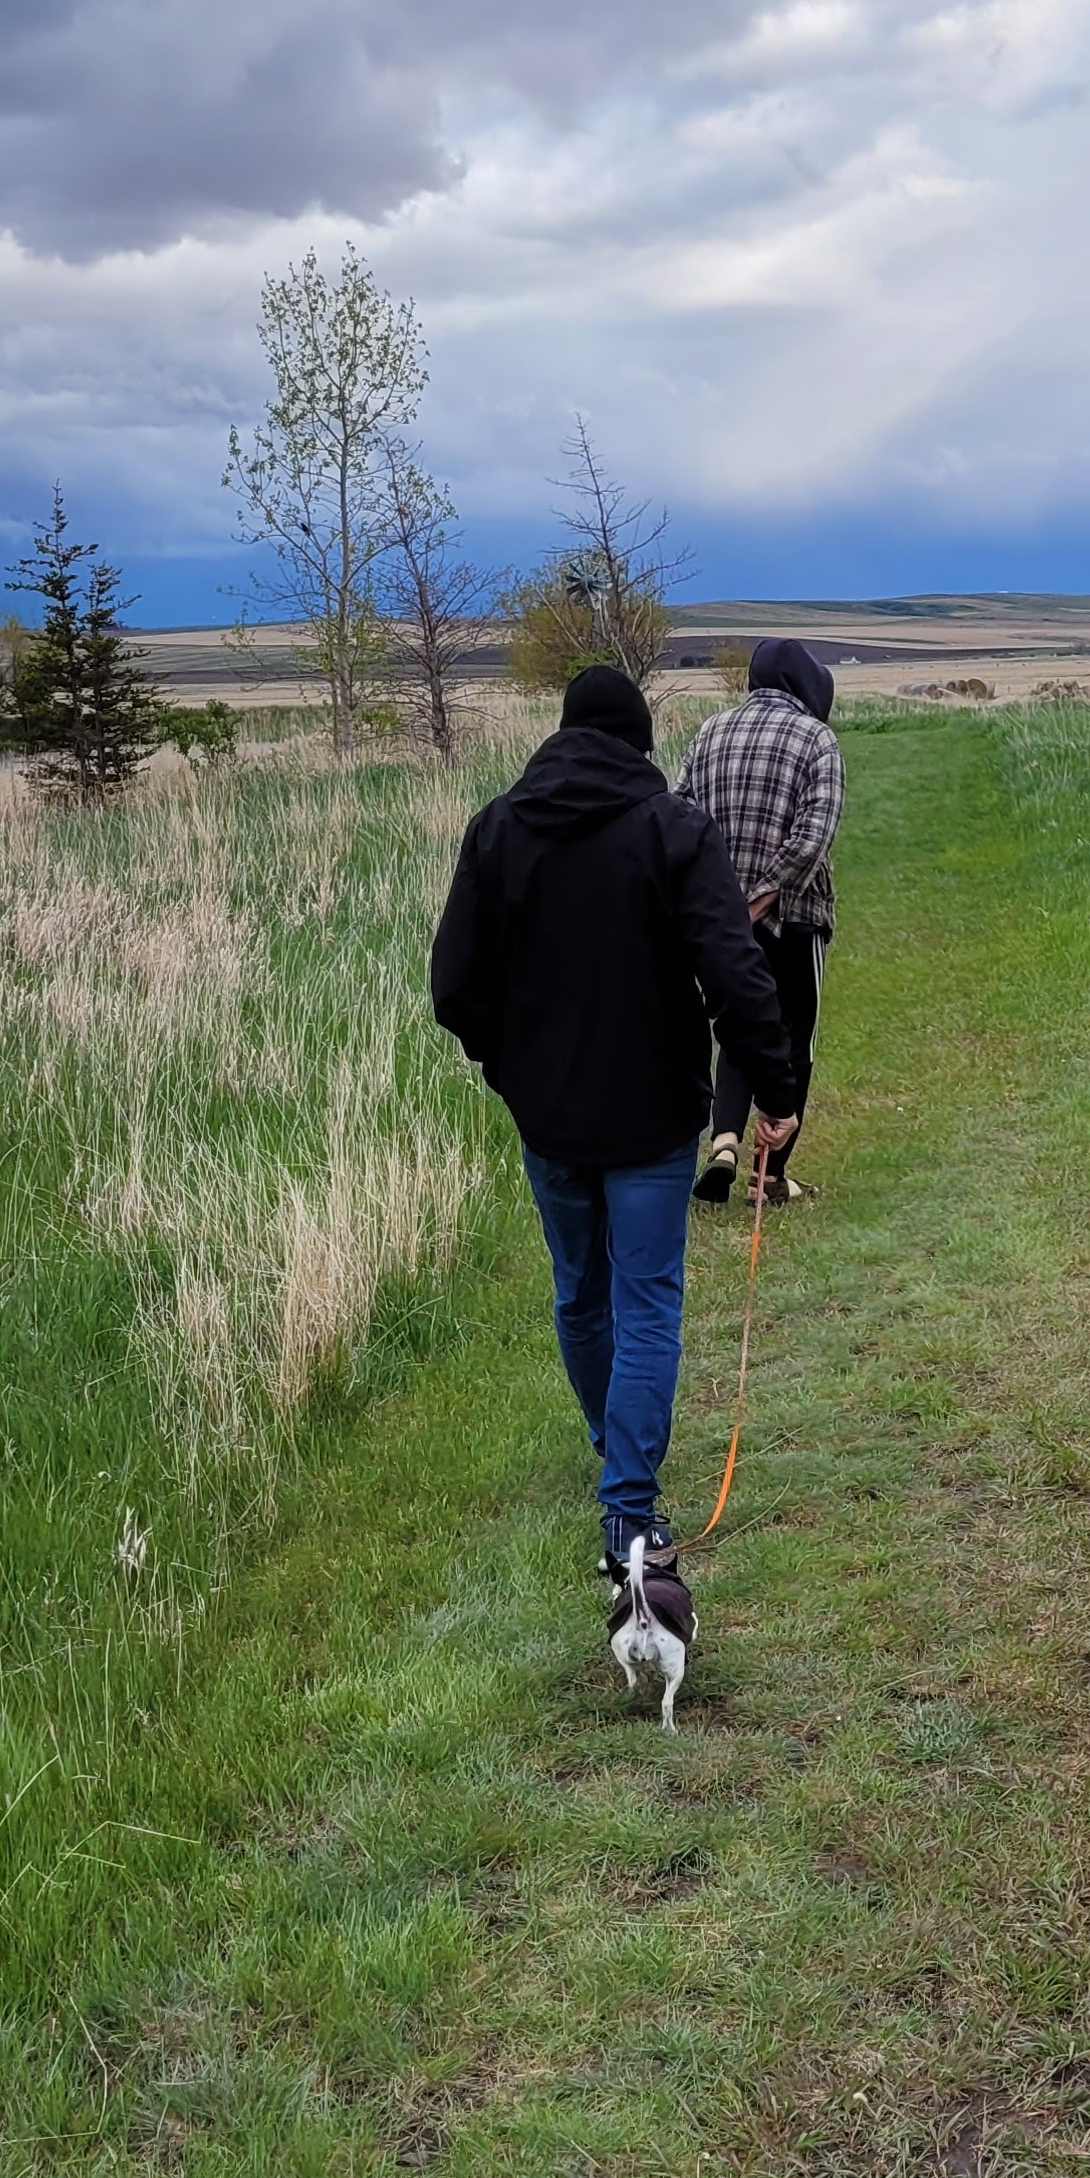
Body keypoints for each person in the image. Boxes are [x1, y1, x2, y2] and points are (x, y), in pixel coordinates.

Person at [430, 662, 799, 1584]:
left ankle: (618, 1458)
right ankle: (628, 1502)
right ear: (640, 742)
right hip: (653, 1116)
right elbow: (736, 970)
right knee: (647, 1305)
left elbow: (454, 988)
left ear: (562, 734)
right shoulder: (675, 830)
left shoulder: (498, 830)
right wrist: (777, 1088)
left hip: (549, 1118)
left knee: (581, 1295)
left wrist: (510, 1069)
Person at [679, 637, 842, 1202]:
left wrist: (716, 902)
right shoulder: (817, 738)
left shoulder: (709, 732)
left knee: (738, 1024)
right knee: (795, 1038)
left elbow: (679, 817)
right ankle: (768, 1176)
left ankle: (724, 1139)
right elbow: (813, 837)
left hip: (718, 920)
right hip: (795, 916)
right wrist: (765, 893)